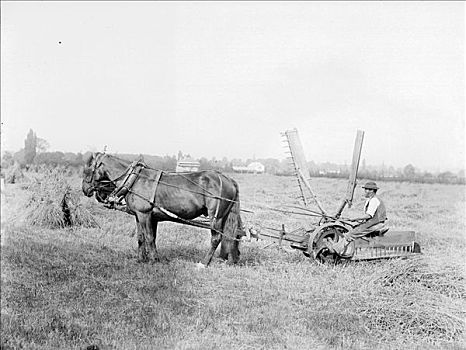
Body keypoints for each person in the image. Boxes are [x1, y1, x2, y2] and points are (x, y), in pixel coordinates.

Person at [331, 181, 388, 255]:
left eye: (366, 190)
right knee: (354, 227)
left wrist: (355, 219)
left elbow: (368, 215)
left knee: (351, 234)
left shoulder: (374, 200)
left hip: (376, 223)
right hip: (373, 222)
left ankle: (335, 250)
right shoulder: (370, 199)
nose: (364, 191)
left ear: (371, 191)